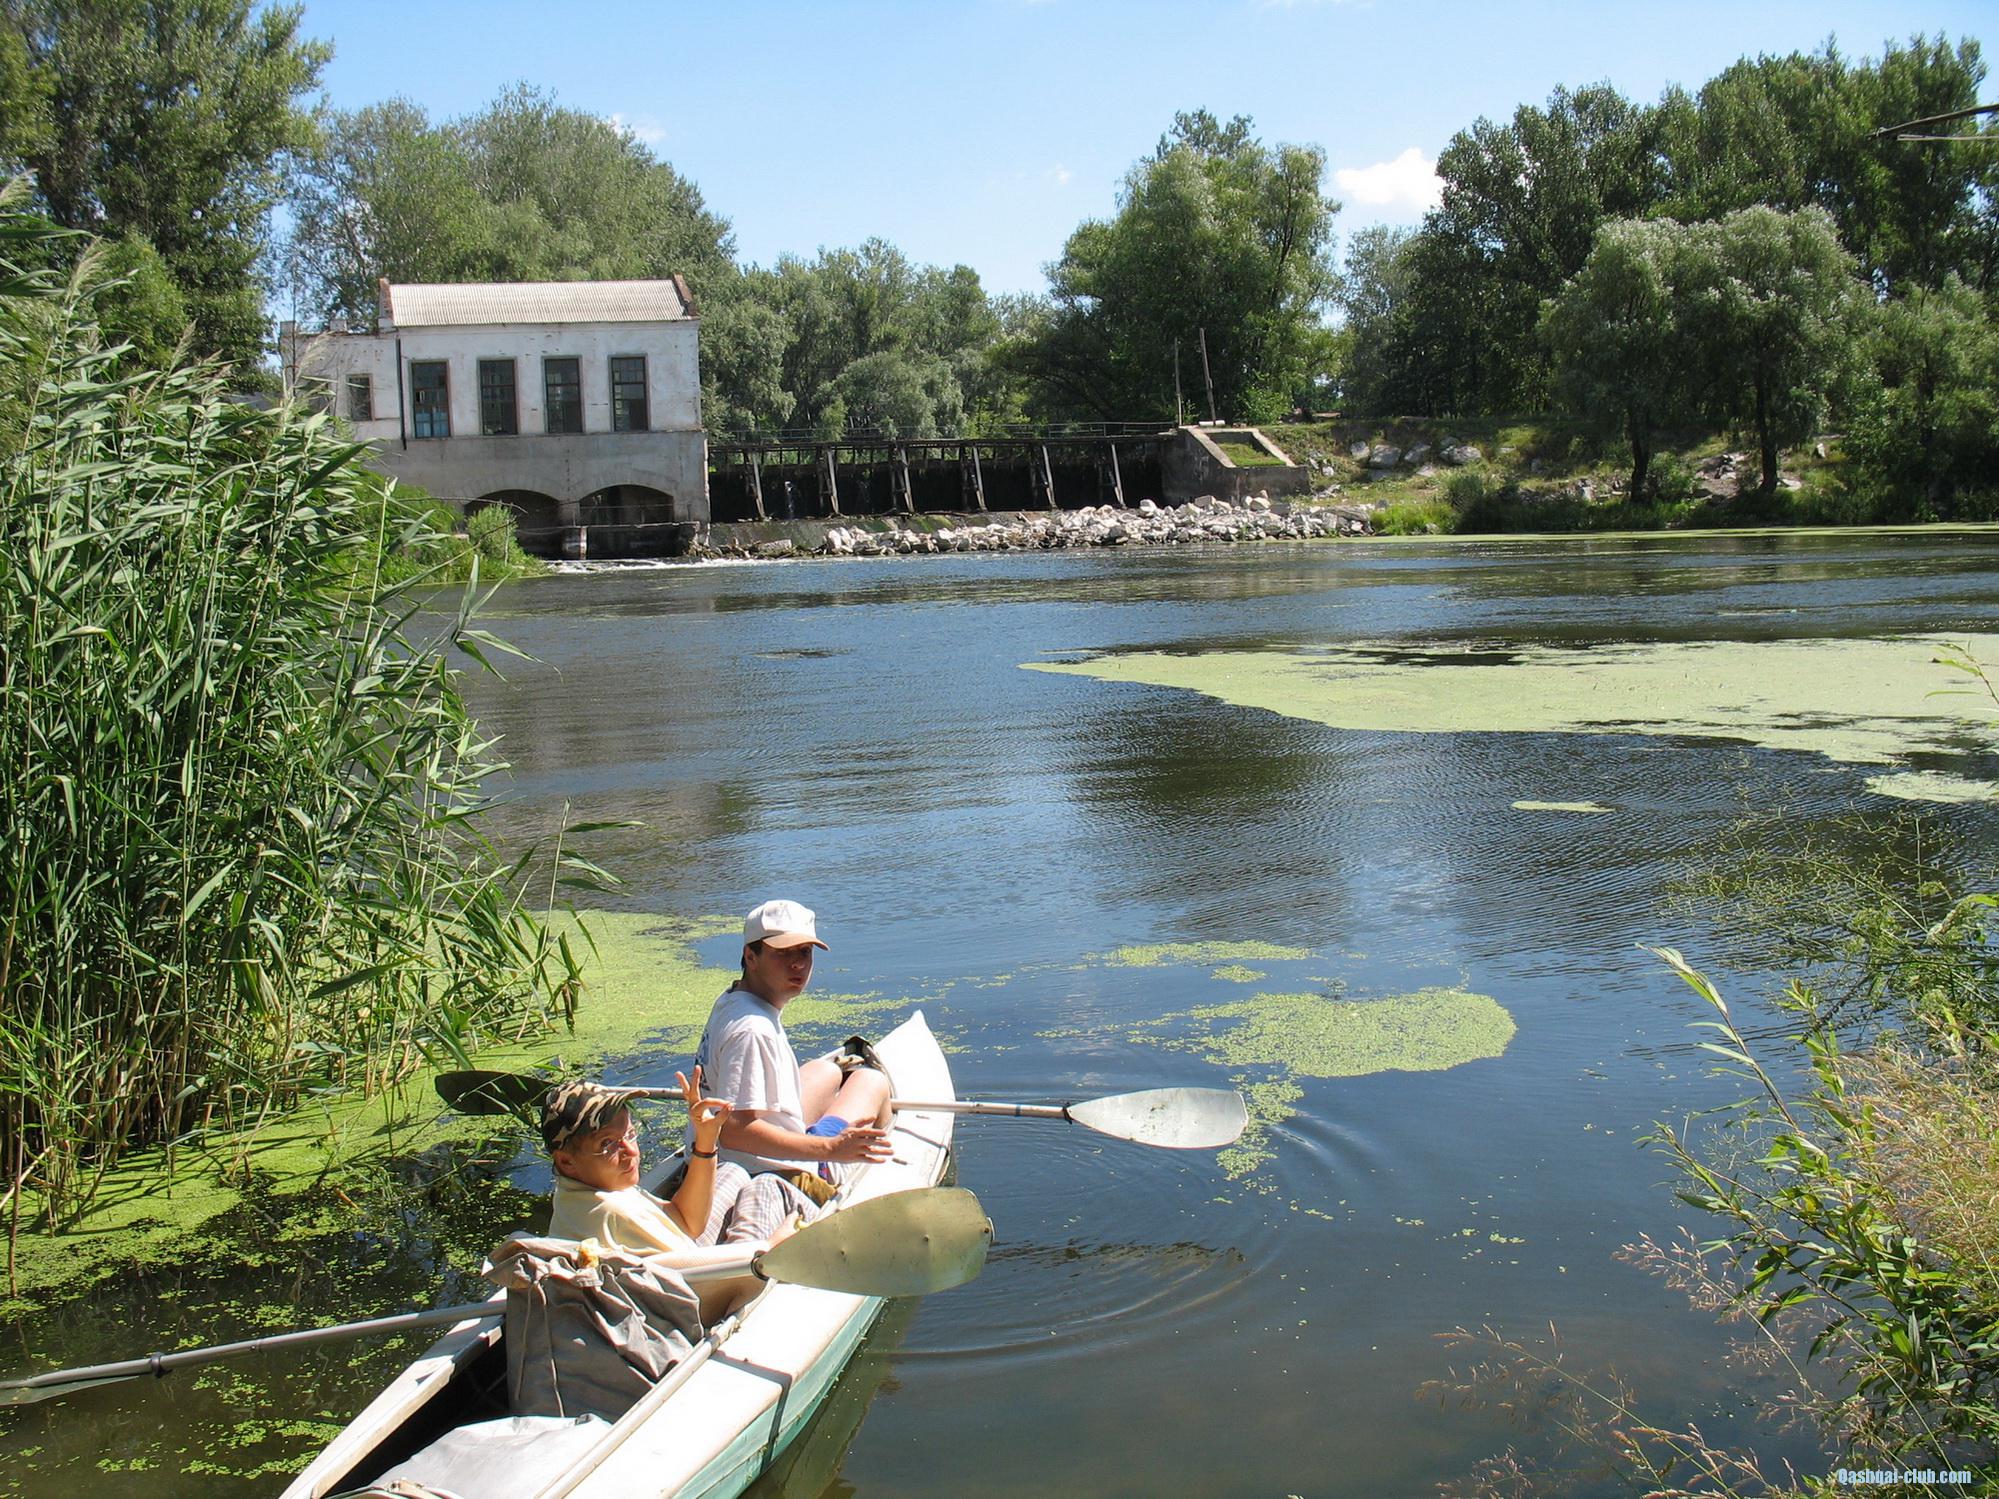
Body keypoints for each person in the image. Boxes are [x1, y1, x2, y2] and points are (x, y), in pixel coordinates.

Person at [542, 1067, 817, 1319]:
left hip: (682, 1273)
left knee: (732, 1171)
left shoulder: (582, 1193)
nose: (631, 1151)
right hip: (706, 1298)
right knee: (768, 1188)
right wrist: (770, 1246)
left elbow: (686, 1223)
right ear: (566, 1161)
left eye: (630, 1134)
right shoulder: (613, 1212)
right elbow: (699, 1279)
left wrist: (706, 1138)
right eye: (608, 1144)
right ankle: (828, 1233)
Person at [691, 899, 893, 1200]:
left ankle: (833, 1135)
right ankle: (877, 1156)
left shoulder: (733, 1000)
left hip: (720, 1156)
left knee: (825, 1070)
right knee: (872, 1081)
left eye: (804, 951)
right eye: (783, 953)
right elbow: (735, 1131)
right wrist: (831, 1148)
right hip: (772, 1173)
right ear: (751, 956)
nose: (798, 964)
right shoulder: (753, 1030)